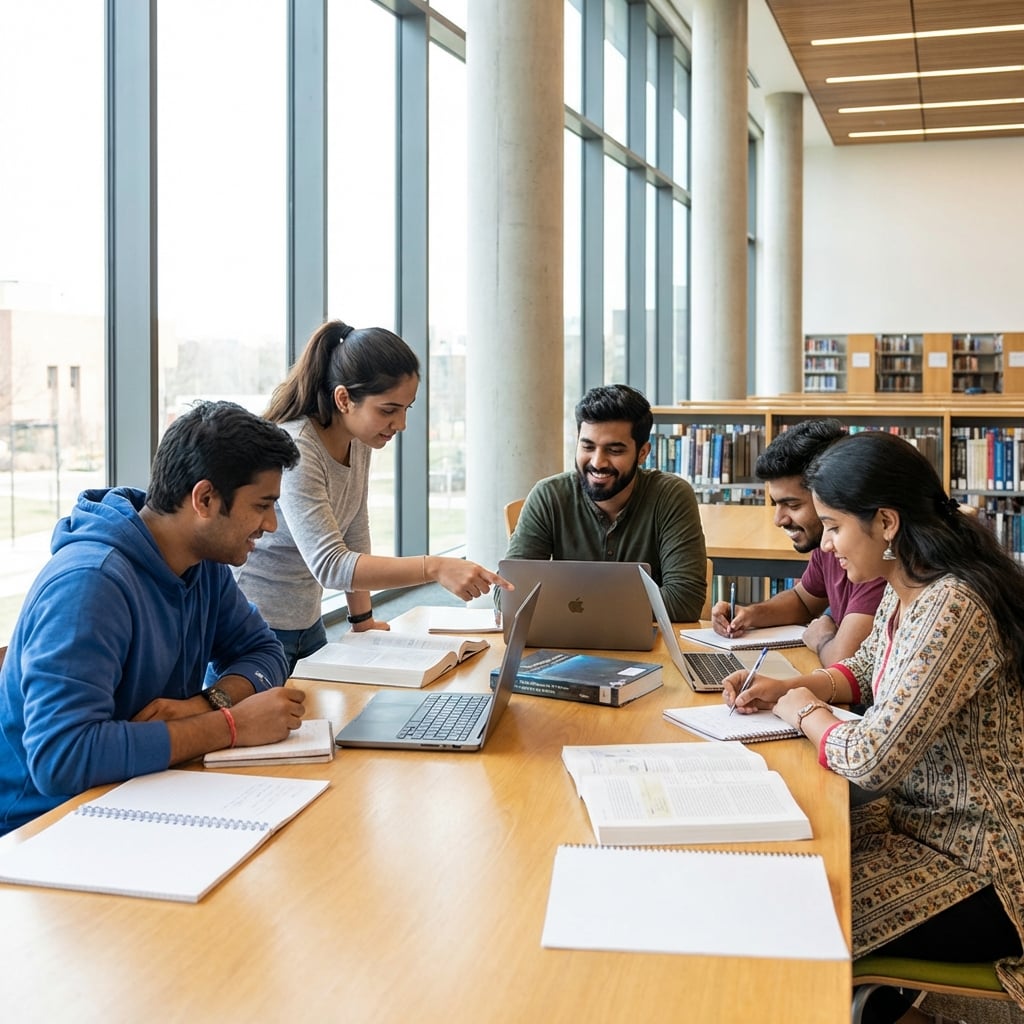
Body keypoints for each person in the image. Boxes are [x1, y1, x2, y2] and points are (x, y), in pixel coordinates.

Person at [724, 430, 1024, 1024]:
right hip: (918, 827)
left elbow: (871, 759)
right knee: (768, 874)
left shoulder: (953, 605)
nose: (826, 543)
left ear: (885, 522)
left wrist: (803, 711)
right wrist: (795, 686)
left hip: (982, 863)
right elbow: (864, 670)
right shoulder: (908, 581)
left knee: (786, 923)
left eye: (834, 526)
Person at [0, 401, 307, 837]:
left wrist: (206, 703)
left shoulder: (203, 564)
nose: (271, 524)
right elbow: (61, 758)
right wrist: (230, 725)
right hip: (48, 827)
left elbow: (263, 651)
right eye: (262, 505)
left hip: (143, 795)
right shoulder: (90, 585)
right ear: (204, 499)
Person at [235, 319, 510, 673]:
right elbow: (331, 564)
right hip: (255, 628)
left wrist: (362, 620)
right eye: (388, 410)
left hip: (306, 623)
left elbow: (354, 532)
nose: (401, 424)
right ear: (344, 399)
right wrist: (435, 567)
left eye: (406, 408)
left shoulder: (358, 440)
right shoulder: (299, 448)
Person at [504, 383, 707, 622]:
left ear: (643, 453)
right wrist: (626, 605)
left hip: (647, 643)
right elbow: (508, 594)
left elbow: (684, 602)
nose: (597, 462)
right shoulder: (549, 496)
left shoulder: (671, 495)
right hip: (566, 641)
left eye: (614, 450)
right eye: (587, 447)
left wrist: (573, 605)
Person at [710, 418, 885, 665]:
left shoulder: (875, 554)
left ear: (830, 493)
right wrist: (749, 614)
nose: (778, 520)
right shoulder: (827, 541)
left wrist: (822, 636)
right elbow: (804, 601)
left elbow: (844, 659)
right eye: (776, 503)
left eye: (792, 505)